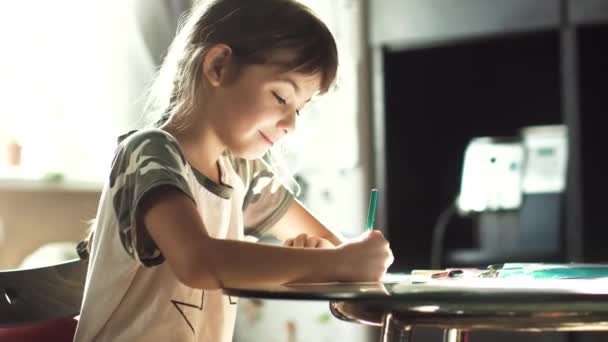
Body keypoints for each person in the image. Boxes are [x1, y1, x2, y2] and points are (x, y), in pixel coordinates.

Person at [73, 0, 394, 341]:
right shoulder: (149, 153)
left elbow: (332, 249)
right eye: (282, 97)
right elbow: (199, 261)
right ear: (219, 66)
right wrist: (335, 264)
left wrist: (340, 260)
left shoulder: (241, 172)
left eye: (300, 109)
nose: (291, 124)